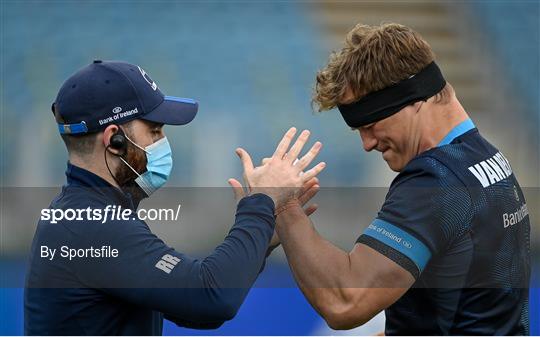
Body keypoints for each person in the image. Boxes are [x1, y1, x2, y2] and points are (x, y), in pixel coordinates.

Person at [237, 23, 531, 335]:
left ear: (413, 98)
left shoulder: (436, 180)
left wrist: (282, 205)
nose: (367, 143)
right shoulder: (485, 157)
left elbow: (345, 301)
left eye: (370, 123)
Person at [24, 60, 325, 335]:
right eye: (154, 131)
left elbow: (196, 309)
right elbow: (210, 296)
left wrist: (262, 236)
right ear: (114, 140)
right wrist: (259, 204)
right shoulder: (93, 225)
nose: (163, 143)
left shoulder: (85, 215)